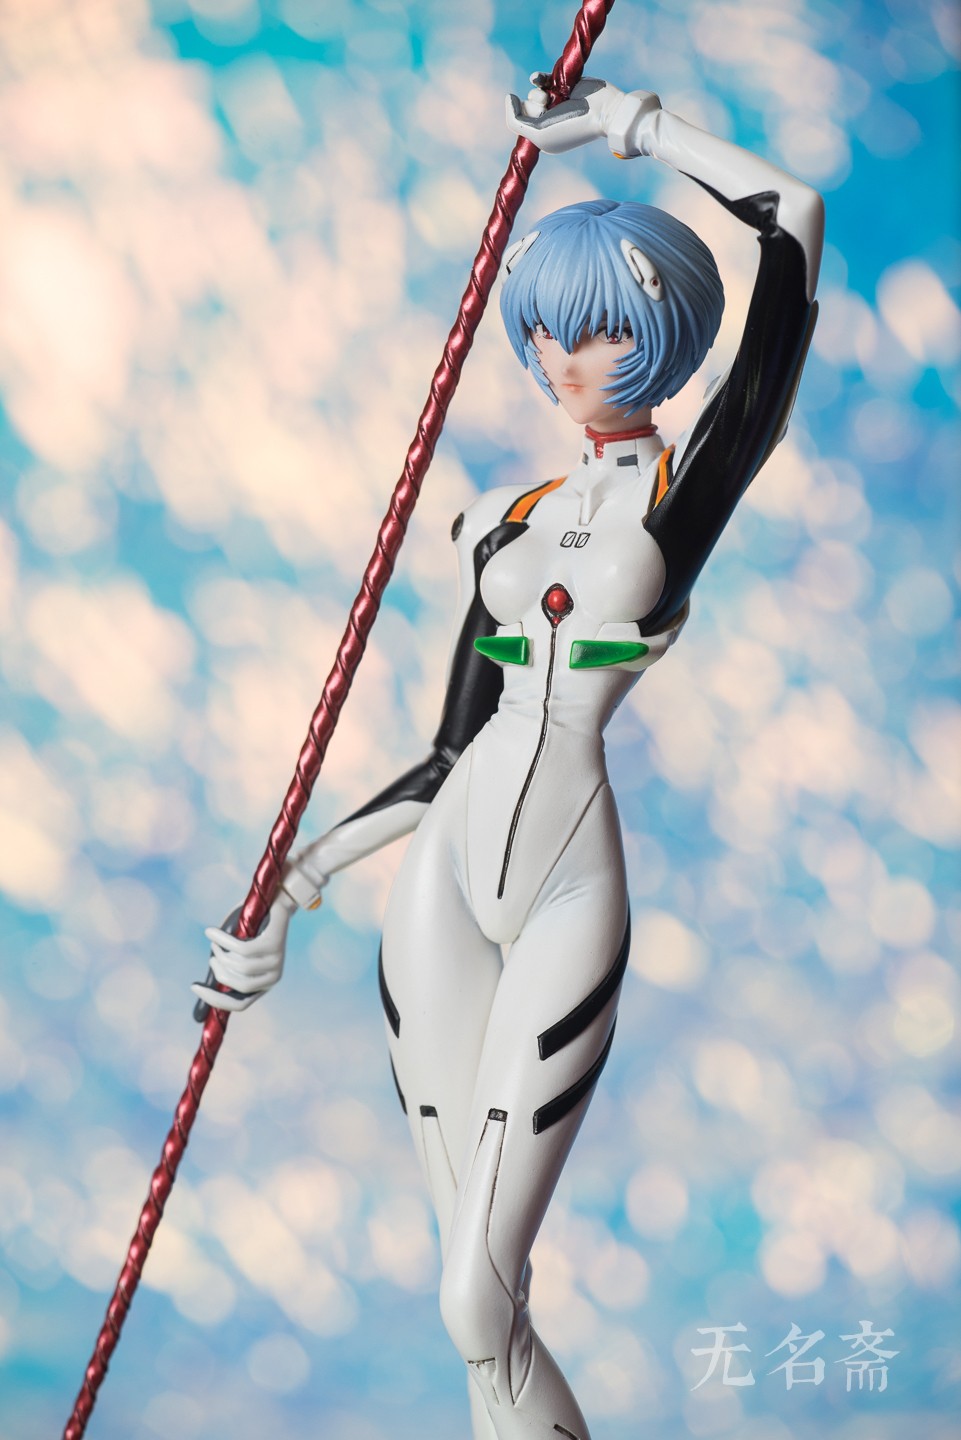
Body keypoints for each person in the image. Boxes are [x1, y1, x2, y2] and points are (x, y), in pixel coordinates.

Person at [193, 75, 824, 1440]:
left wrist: (630, 126)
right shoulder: (503, 515)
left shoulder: (687, 492)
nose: (560, 356)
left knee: (477, 1301)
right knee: (473, 1311)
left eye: (597, 330)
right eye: (544, 328)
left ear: (658, 333)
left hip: (562, 889)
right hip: (443, 876)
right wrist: (290, 894)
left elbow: (795, 216)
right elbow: (446, 752)